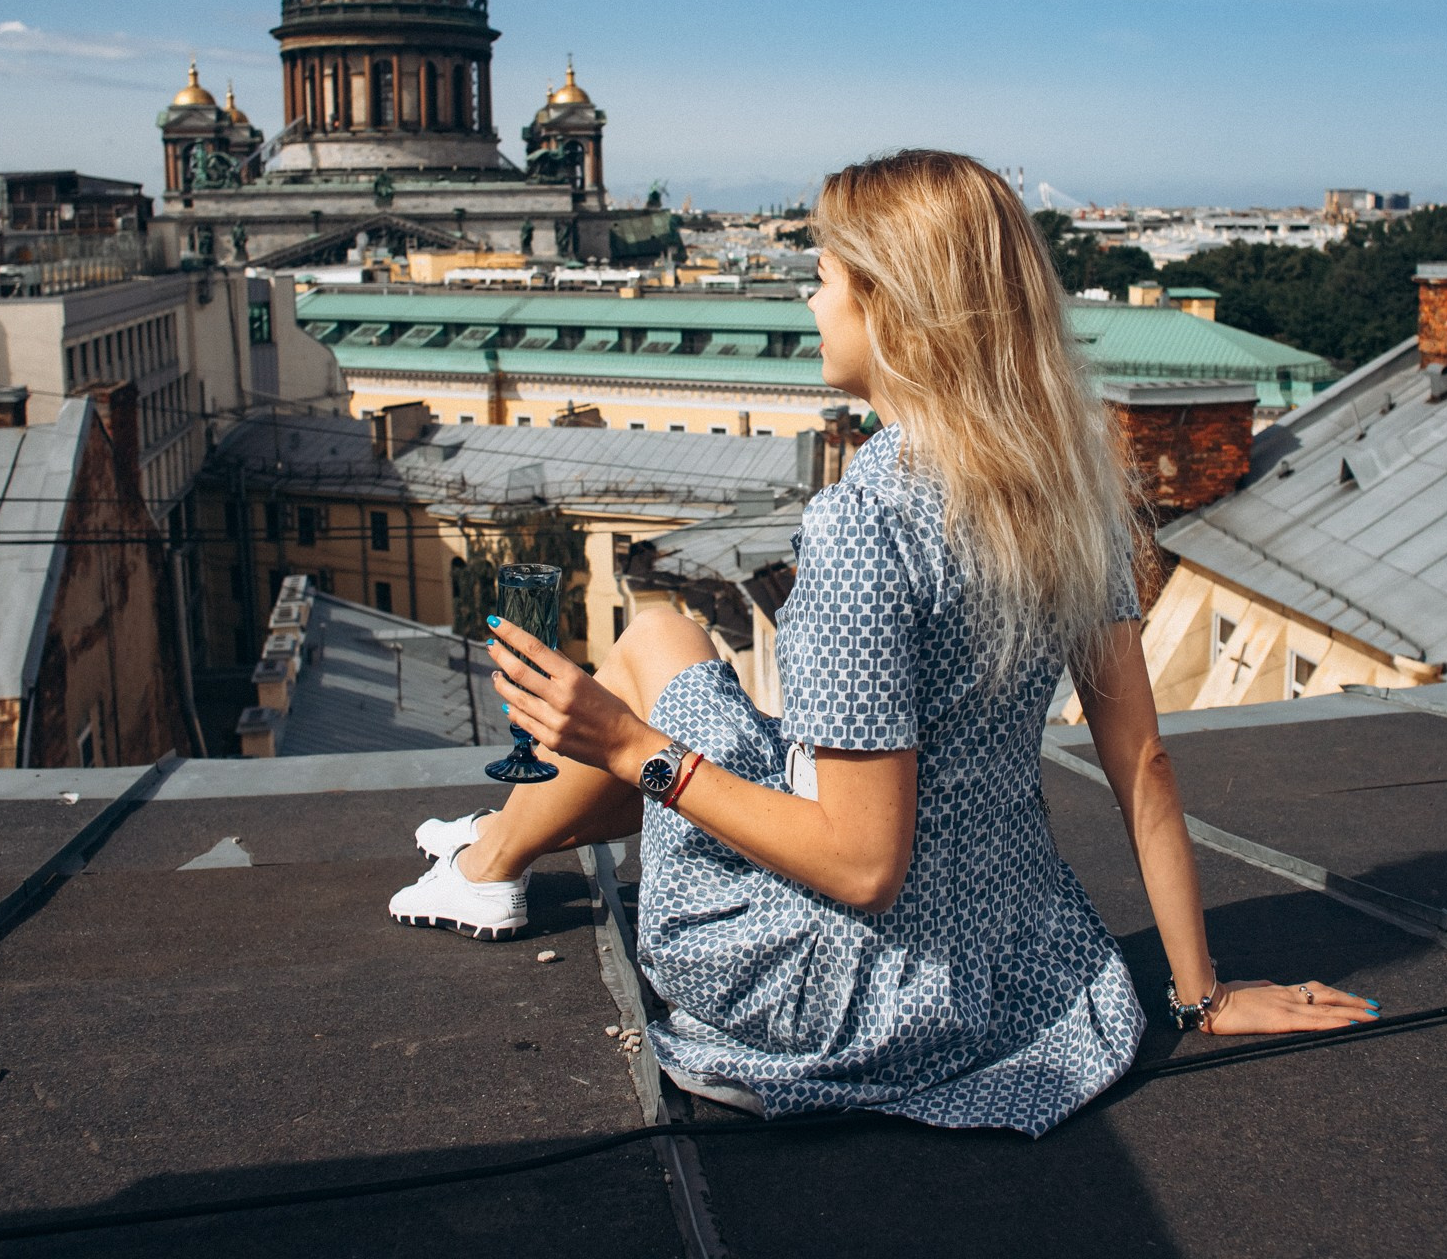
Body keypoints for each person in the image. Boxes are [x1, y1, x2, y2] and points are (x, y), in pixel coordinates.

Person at [387, 149, 1375, 1134]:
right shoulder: (1074, 491)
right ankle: (496, 846)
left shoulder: (869, 523)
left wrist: (626, 747)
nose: (809, 305)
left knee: (651, 655)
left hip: (848, 993)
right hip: (1010, 967)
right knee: (662, 637)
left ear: (889, 307)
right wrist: (1201, 995)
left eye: (822, 279)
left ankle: (487, 868)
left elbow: (864, 867)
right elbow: (1144, 761)